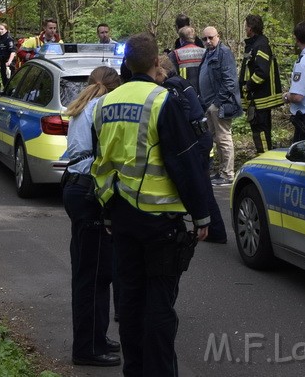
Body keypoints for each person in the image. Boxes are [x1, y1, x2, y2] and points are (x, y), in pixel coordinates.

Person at [89, 33, 211, 377]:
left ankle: (135, 370)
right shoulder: (161, 101)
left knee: (129, 300)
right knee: (159, 304)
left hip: (121, 216)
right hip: (158, 221)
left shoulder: (105, 104)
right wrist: (202, 215)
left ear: (125, 64)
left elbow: (102, 161)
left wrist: (107, 210)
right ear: (156, 61)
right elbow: (184, 162)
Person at [61, 66, 123, 367]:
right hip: (89, 192)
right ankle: (87, 348)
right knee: (95, 275)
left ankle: (96, 337)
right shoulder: (103, 106)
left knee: (91, 271)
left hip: (75, 186)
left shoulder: (83, 103)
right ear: (114, 86)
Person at [156, 55, 228, 244]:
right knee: (203, 185)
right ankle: (214, 229)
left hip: (195, 139)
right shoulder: (182, 81)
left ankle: (215, 230)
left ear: (160, 70)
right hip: (202, 136)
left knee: (200, 185)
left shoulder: (171, 86)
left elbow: (182, 112)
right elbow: (201, 105)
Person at [198, 26, 242, 185]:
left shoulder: (224, 53)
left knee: (223, 138)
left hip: (221, 105)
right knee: (215, 138)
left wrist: (216, 103)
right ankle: (221, 171)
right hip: (210, 105)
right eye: (205, 39)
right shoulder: (208, 54)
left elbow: (230, 81)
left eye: (211, 37)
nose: (208, 41)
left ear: (218, 36)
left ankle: (228, 174)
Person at [239, 14, 282, 155]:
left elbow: (262, 72)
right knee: (259, 130)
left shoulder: (260, 45)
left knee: (261, 131)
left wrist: (248, 86)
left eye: (246, 26)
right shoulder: (255, 44)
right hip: (255, 98)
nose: (245, 28)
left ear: (250, 28)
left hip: (260, 99)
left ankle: (265, 158)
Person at [168, 26, 205, 90]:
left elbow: (171, 77)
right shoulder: (205, 52)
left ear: (181, 40)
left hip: (185, 92)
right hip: (204, 92)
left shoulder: (174, 54)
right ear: (194, 39)